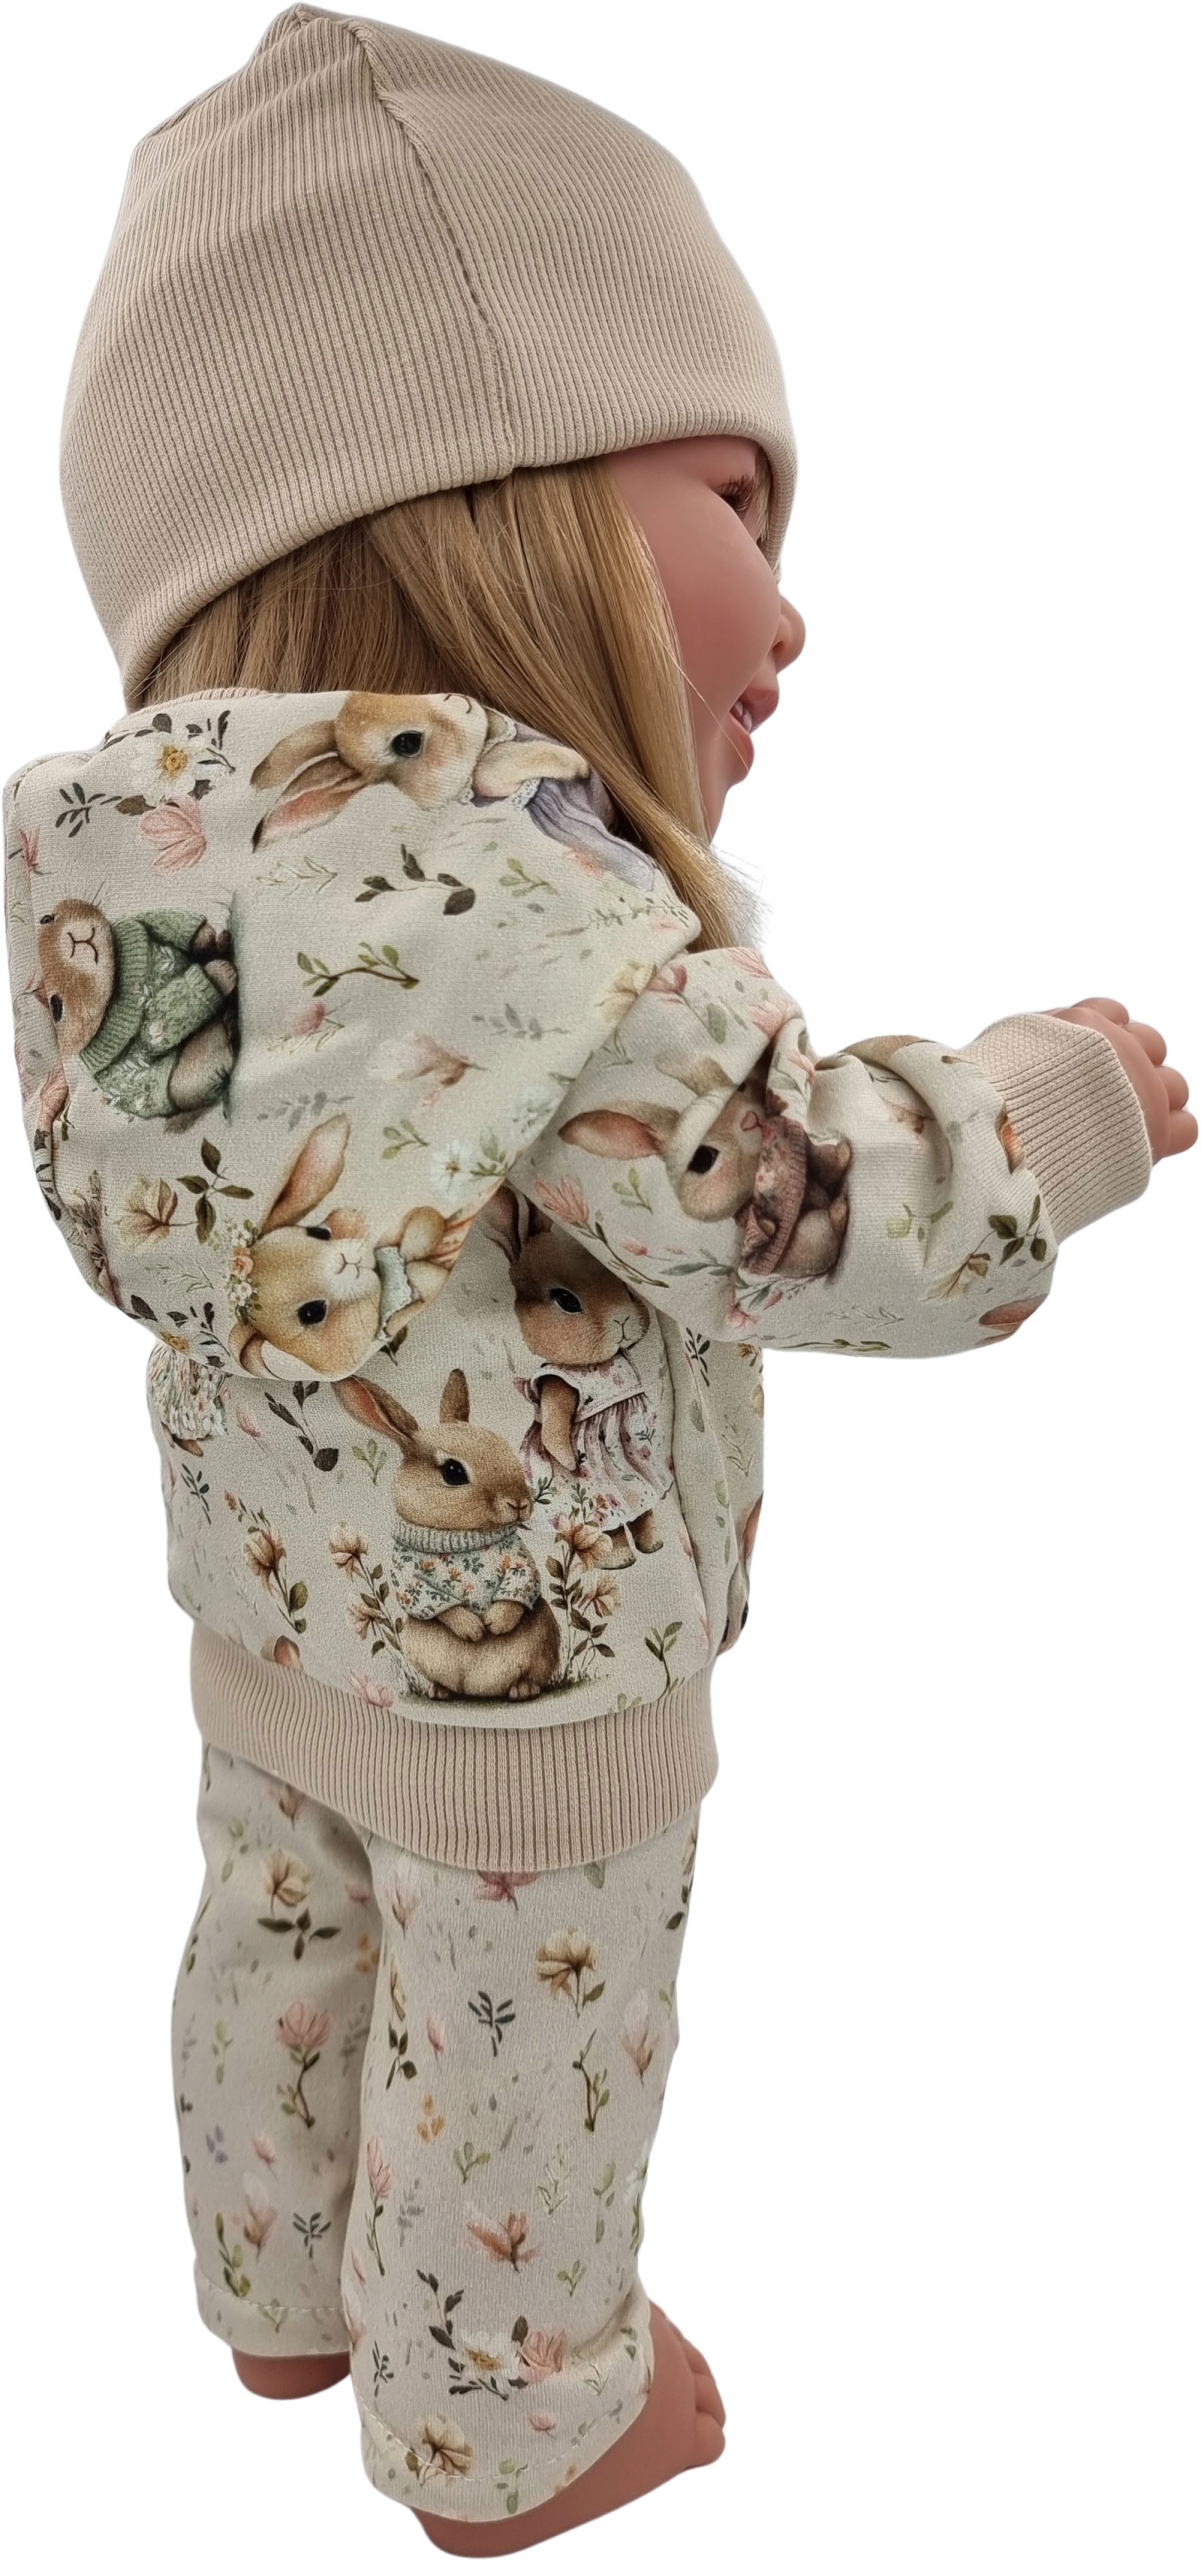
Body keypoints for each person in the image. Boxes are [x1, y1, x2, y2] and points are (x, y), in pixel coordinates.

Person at [3, 11, 1194, 2554]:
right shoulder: (538, 904)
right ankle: (510, 2424)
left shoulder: (150, 880)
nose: (795, 603)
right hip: (528, 1652)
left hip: (271, 1596)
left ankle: (275, 2289)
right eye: (736, 494)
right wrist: (1062, 1094)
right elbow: (819, 1215)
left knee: (285, 1918)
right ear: (500, 503)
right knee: (524, 2031)